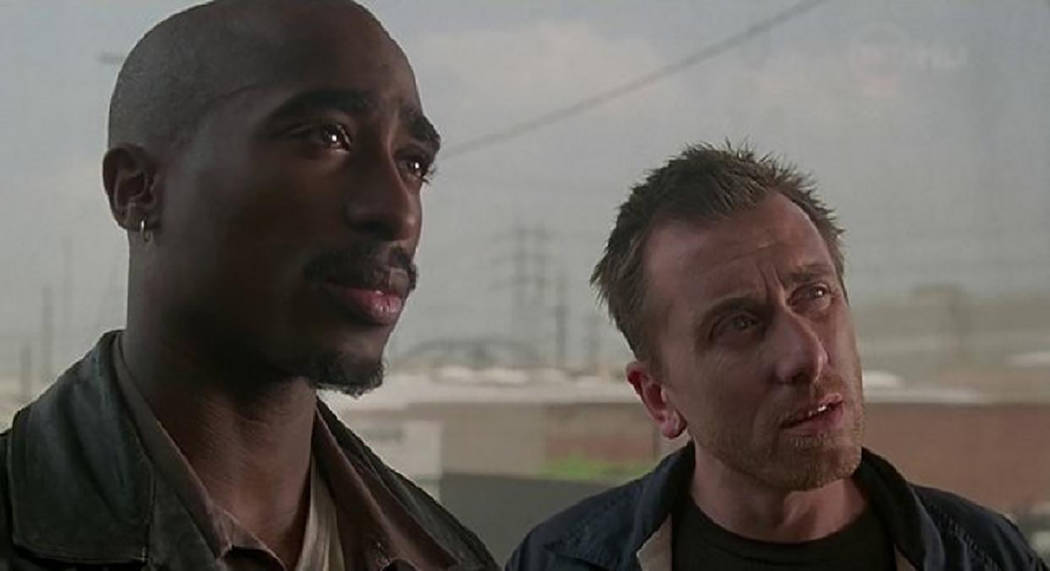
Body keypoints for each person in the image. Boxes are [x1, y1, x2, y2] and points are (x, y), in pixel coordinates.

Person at [0, 1, 497, 569]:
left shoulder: (447, 555)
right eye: (327, 136)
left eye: (414, 163)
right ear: (137, 189)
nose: (398, 213)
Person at [507, 143, 1046, 570]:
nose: (807, 355)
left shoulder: (986, 557)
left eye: (815, 295)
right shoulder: (558, 562)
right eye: (739, 324)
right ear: (659, 397)